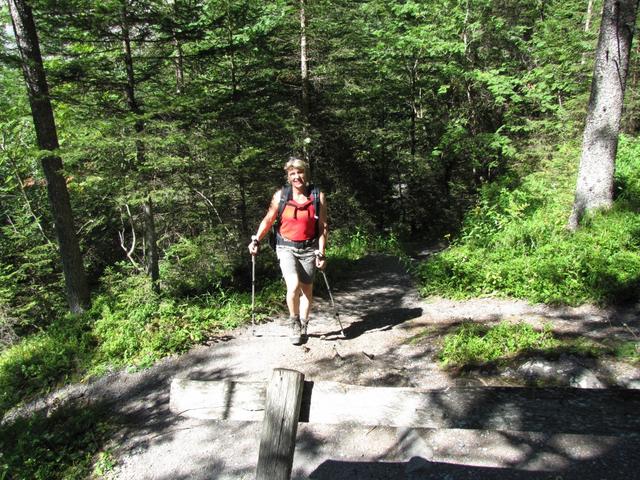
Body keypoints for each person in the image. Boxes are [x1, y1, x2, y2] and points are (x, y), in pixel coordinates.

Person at [248, 157, 328, 345]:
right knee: (293, 286)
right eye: (292, 173)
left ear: (306, 174)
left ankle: (304, 323)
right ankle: (294, 322)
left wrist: (322, 252)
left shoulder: (317, 196)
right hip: (285, 247)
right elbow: (268, 219)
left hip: (309, 248)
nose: (296, 177)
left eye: (300, 172)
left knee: (307, 290)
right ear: (288, 176)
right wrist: (256, 239)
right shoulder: (281, 196)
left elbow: (322, 227)